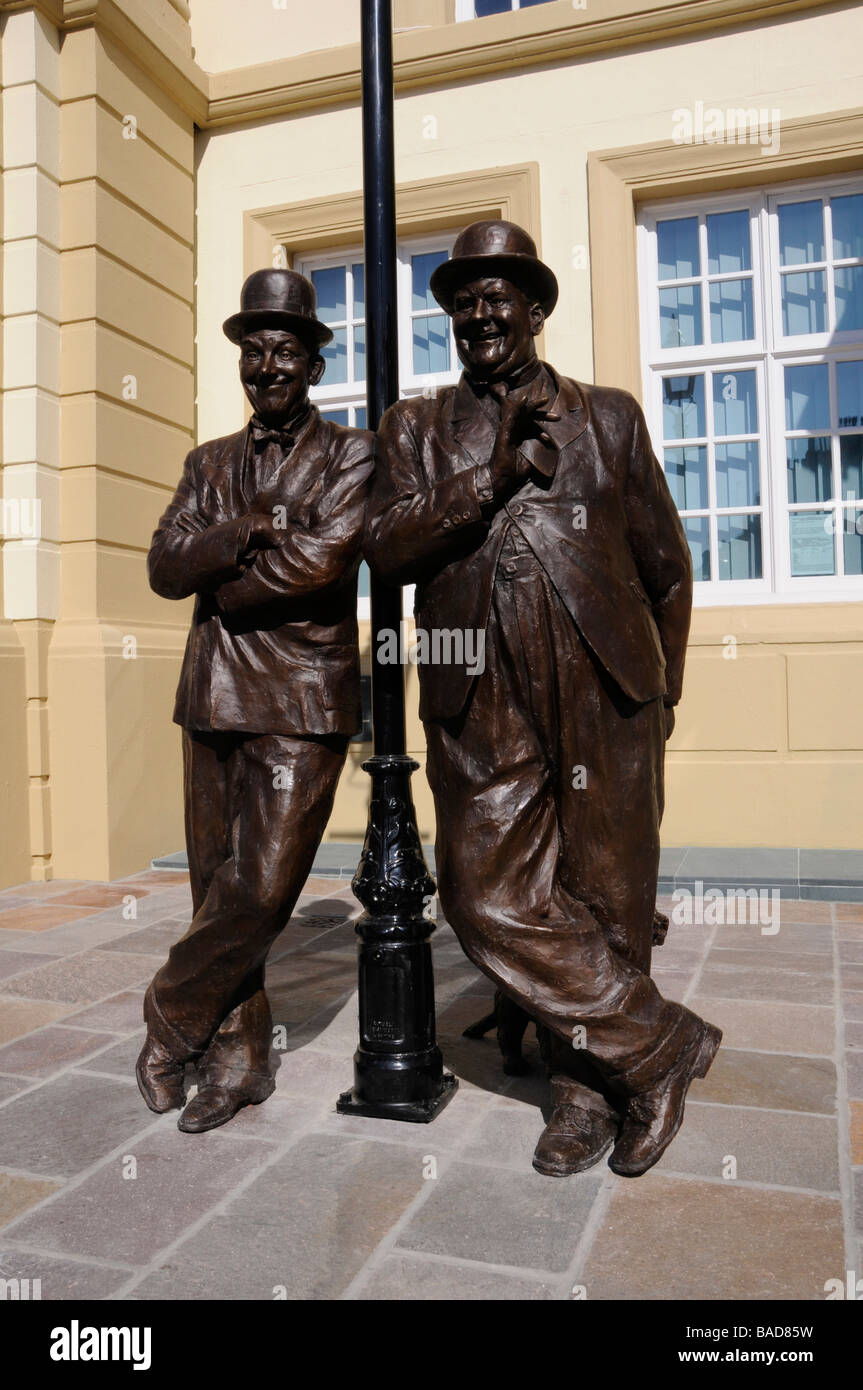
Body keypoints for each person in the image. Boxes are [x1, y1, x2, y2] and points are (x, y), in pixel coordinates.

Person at [364, 221, 720, 1177]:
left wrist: (662, 692)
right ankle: (659, 1045)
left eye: (498, 296)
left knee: (608, 889)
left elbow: (666, 570)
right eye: (462, 300)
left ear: (536, 309)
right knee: (484, 895)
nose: (479, 313)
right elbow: (388, 550)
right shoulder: (415, 427)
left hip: (602, 678)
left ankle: (584, 1092)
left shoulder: (606, 417)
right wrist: (490, 478)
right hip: (475, 678)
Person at [136, 269, 373, 1133]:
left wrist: (227, 583)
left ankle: (168, 1016)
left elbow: (323, 560)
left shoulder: (354, 452)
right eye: (252, 354)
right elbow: (165, 569)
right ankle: (237, 1058)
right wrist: (240, 532)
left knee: (262, 889)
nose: (266, 369)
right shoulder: (207, 464)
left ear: (313, 363)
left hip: (302, 697)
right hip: (211, 695)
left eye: (283, 353)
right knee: (215, 891)